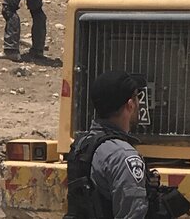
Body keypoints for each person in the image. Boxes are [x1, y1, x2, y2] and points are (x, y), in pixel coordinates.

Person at [67, 71, 157, 219]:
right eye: (137, 97)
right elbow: (132, 214)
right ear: (130, 105)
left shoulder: (83, 145)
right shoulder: (124, 155)